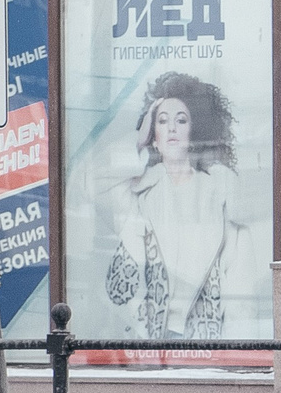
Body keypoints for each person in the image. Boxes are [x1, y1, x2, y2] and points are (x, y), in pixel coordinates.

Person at [103, 71, 252, 343]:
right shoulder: (137, 194)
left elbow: (239, 290)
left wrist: (235, 354)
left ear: (193, 134)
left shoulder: (219, 193)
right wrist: (137, 139)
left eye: (181, 120)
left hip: (205, 341)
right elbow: (90, 183)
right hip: (147, 343)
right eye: (161, 121)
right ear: (154, 138)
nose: (172, 127)